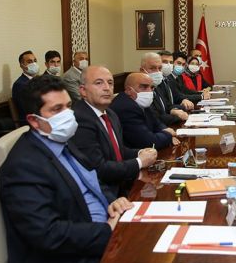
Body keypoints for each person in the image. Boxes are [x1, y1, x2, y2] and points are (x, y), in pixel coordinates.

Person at [0, 74, 134, 263]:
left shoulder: (62, 140)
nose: (68, 115)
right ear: (34, 121)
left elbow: (93, 179)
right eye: (56, 109)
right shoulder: (23, 166)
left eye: (68, 106)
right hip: (67, 261)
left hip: (101, 230)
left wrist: (112, 201)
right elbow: (48, 234)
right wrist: (107, 231)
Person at [71, 66, 157, 198]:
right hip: (103, 195)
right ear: (83, 90)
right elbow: (99, 169)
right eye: (99, 83)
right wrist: (139, 162)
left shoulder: (110, 113)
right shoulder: (80, 119)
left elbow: (117, 150)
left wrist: (140, 152)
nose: (107, 88)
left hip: (122, 186)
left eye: (110, 83)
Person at [110, 73, 179, 150]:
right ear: (129, 90)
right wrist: (168, 136)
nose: (149, 91)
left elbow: (156, 122)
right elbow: (149, 142)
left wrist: (164, 129)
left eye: (152, 87)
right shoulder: (126, 107)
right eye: (144, 87)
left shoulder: (140, 102)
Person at [140, 52, 188, 126]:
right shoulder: (140, 92)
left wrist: (173, 110)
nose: (157, 72)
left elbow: (167, 105)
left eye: (159, 68)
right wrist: (179, 117)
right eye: (152, 68)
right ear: (142, 70)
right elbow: (155, 118)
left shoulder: (156, 85)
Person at [11, 50, 39, 124]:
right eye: (29, 62)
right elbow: (28, 109)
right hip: (30, 122)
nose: (34, 64)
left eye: (35, 61)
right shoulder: (20, 84)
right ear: (22, 65)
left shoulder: (38, 80)